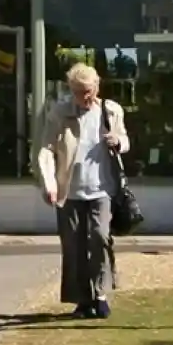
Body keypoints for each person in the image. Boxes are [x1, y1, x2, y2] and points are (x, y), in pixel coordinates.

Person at [36, 62, 131, 319]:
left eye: (88, 91)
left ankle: (101, 294)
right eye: (79, 92)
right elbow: (46, 149)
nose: (84, 97)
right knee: (73, 245)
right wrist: (49, 183)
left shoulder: (110, 111)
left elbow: (126, 140)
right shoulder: (60, 112)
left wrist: (118, 142)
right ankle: (82, 300)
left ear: (97, 87)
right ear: (71, 90)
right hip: (71, 190)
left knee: (100, 237)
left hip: (102, 189)